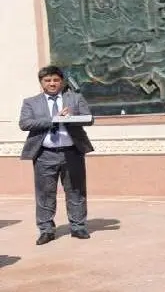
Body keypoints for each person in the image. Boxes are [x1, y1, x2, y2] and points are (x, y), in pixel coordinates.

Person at [18, 65, 95, 245]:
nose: (52, 83)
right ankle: (46, 230)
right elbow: (25, 123)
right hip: (45, 154)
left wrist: (72, 116)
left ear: (61, 81)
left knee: (76, 190)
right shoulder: (31, 102)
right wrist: (54, 119)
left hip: (72, 152)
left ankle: (78, 226)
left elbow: (89, 118)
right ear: (41, 82)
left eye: (56, 80)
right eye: (48, 80)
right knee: (45, 194)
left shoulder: (75, 98)